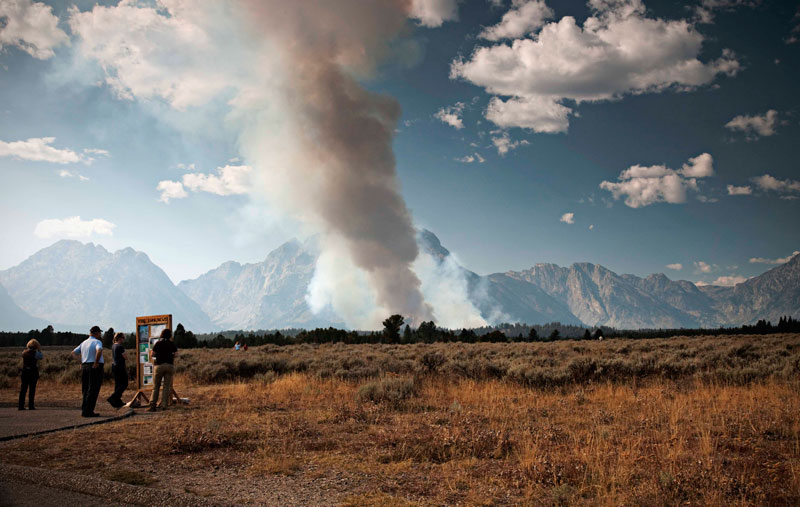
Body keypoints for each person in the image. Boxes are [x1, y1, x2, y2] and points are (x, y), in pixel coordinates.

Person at [72, 325, 104, 417]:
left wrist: (81, 362)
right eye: (99, 333)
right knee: (93, 389)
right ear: (96, 333)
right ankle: (88, 411)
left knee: (85, 389)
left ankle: (85, 408)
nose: (100, 334)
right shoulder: (97, 342)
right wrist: (96, 362)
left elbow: (73, 353)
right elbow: (99, 350)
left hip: (85, 365)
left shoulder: (84, 343)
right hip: (94, 366)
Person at [148, 328, 178, 412]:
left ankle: (153, 405)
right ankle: (164, 405)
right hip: (169, 366)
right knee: (166, 386)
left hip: (159, 366)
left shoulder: (158, 343)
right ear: (170, 335)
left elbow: (152, 354)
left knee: (156, 386)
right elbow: (176, 354)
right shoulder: (172, 344)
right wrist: (170, 355)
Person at [19, 339, 43, 410]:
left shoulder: (24, 352)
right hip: (33, 371)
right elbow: (41, 356)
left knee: (23, 389)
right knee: (32, 389)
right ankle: (31, 405)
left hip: (25, 371)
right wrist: (39, 350)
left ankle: (21, 405)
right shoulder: (36, 353)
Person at [106, 333, 128, 408]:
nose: (123, 339)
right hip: (120, 367)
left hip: (114, 366)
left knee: (118, 384)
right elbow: (125, 357)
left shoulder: (114, 346)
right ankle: (113, 398)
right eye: (123, 337)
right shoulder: (120, 347)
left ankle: (117, 401)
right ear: (119, 338)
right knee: (124, 383)